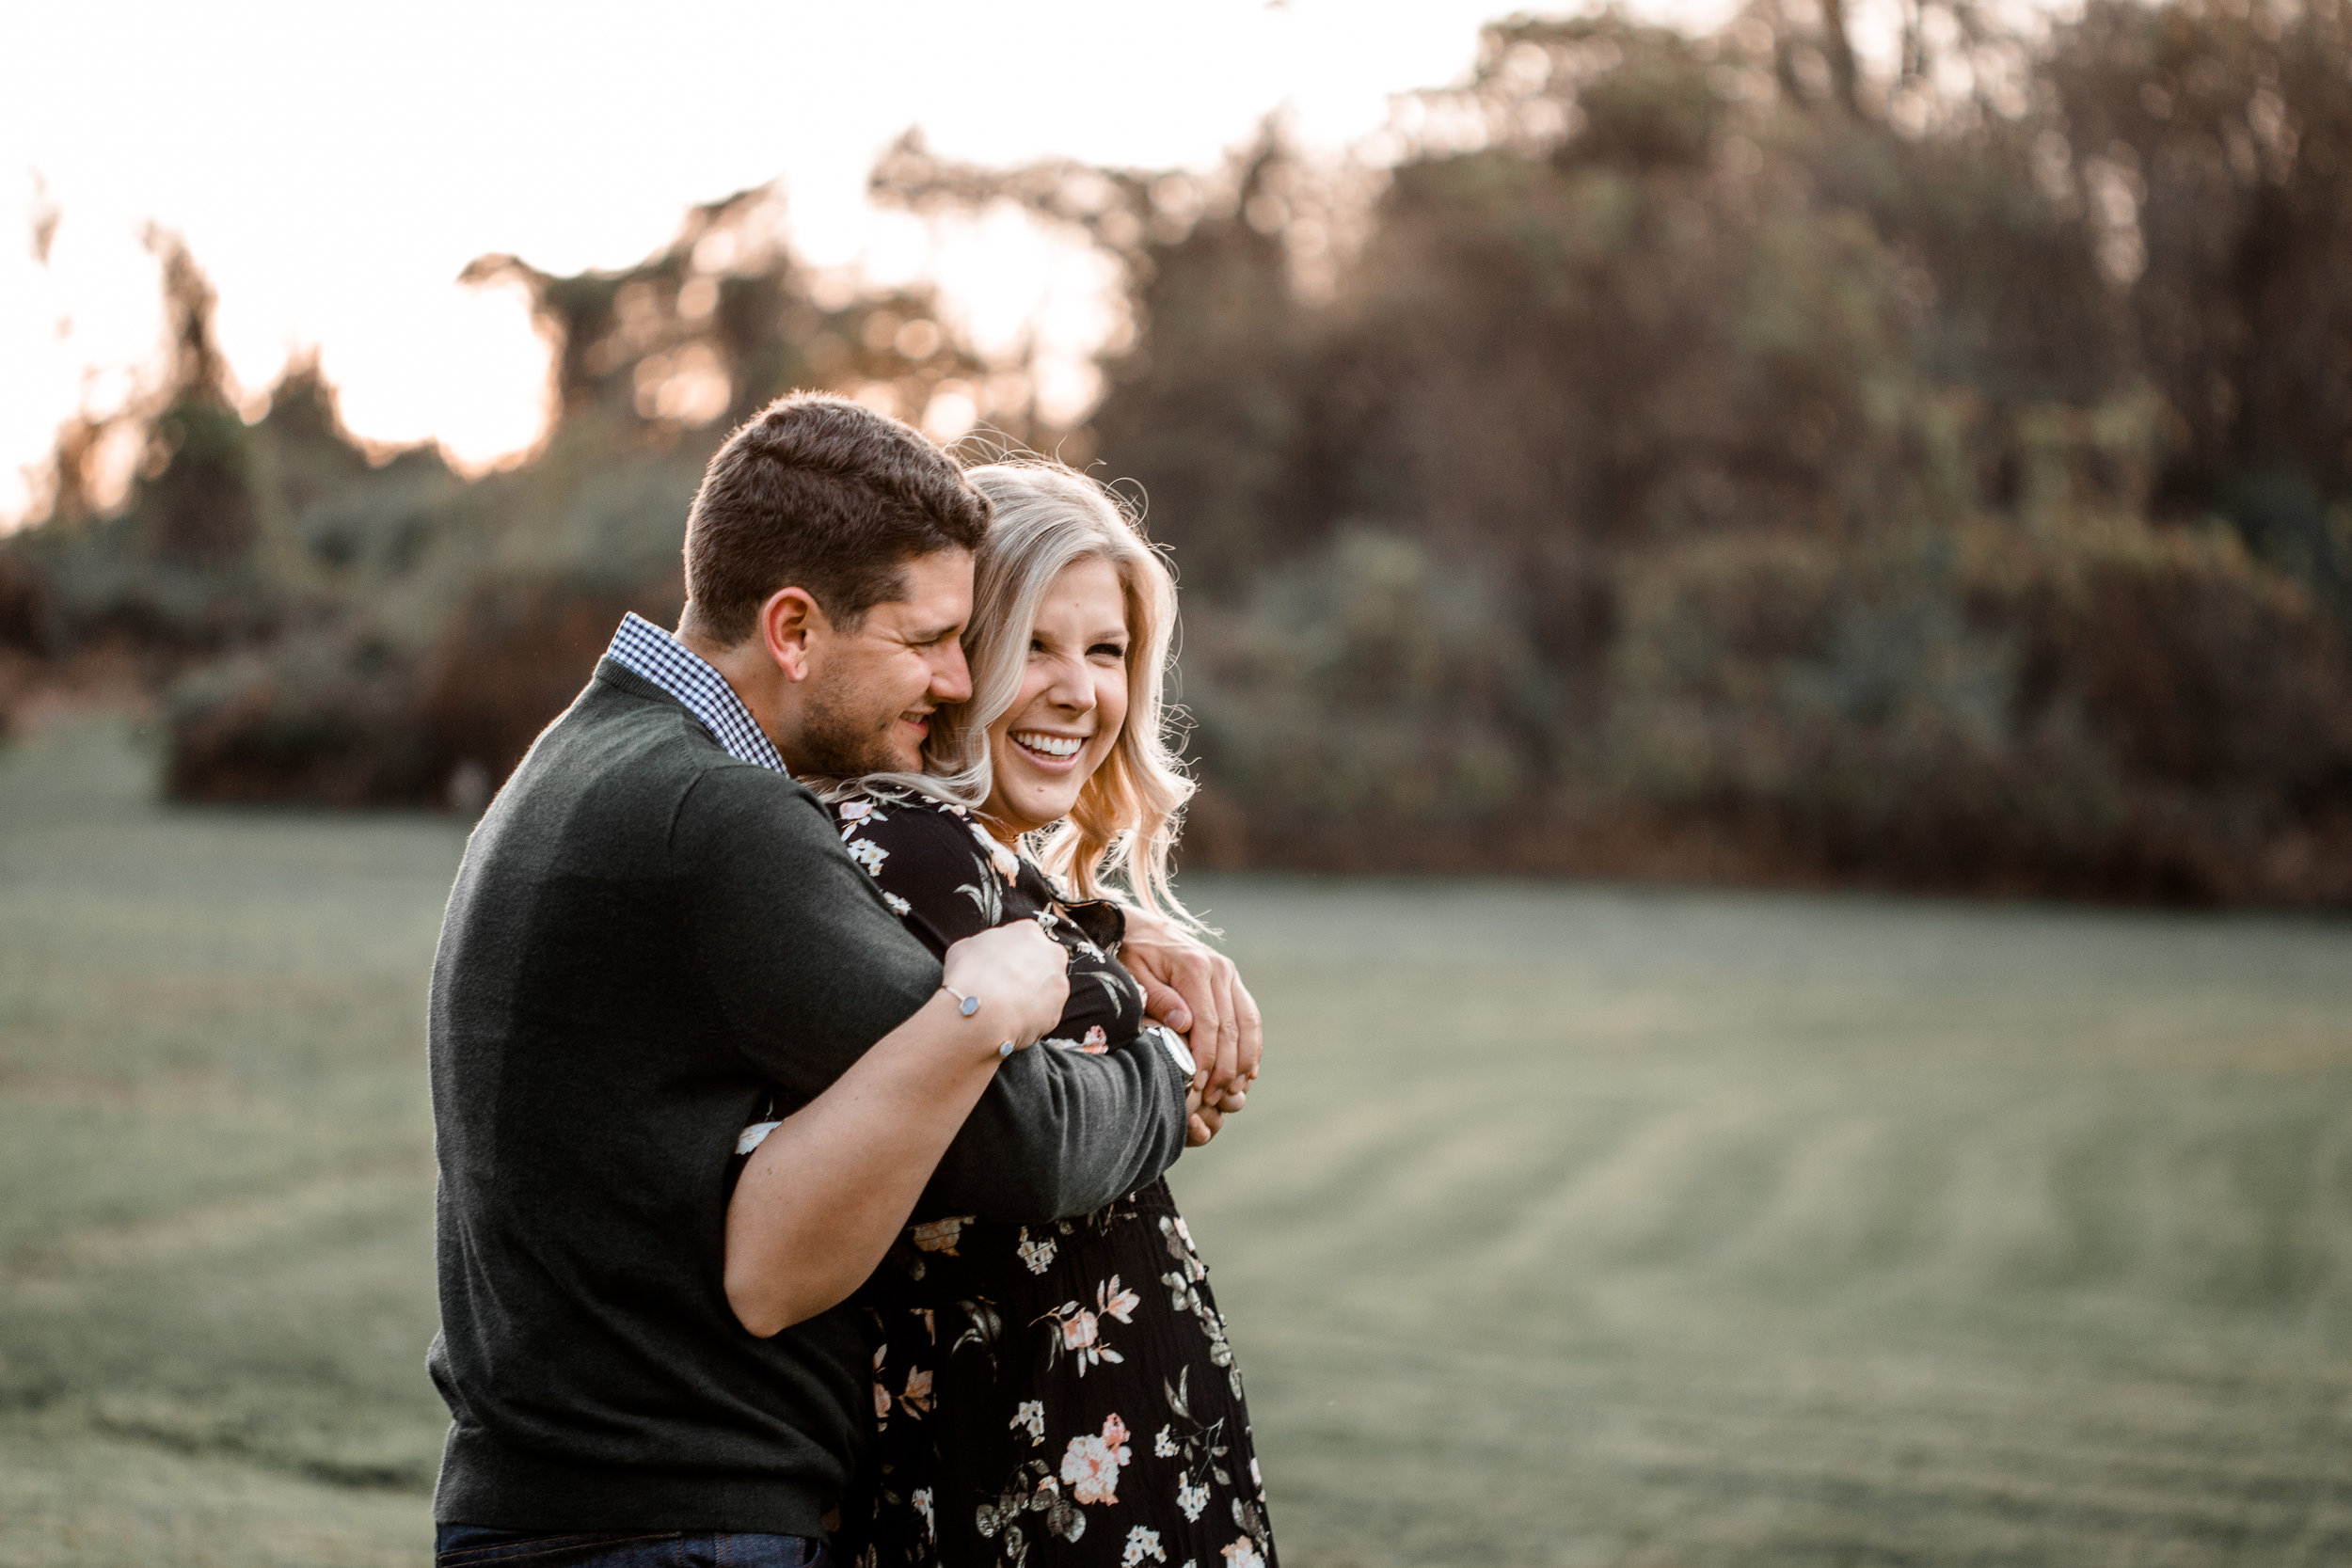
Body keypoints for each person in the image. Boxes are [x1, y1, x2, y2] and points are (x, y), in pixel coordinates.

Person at [426, 394, 1258, 1568]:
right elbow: (1014, 1130)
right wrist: (1171, 1066)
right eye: (927, 643)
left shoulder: (589, 759)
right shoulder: (722, 820)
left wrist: (1097, 942)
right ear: (793, 629)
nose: (955, 684)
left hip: (583, 1497)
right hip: (672, 1514)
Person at [727, 461, 1275, 1568]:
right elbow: (1044, 1128)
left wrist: (1117, 926)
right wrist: (1170, 1048)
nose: (1080, 691)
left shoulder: (987, 864)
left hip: (1077, 1449)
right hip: (1021, 1472)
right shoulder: (906, 841)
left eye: (1108, 652)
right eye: (1034, 644)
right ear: (950, 660)